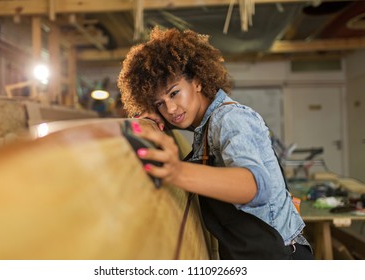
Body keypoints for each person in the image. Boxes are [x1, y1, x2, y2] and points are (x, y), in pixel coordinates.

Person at [117, 27, 314, 260]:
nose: (170, 109)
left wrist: (177, 171)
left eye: (174, 93)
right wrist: (156, 119)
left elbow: (255, 186)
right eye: (160, 103)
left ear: (198, 81)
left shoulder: (230, 119)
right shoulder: (206, 126)